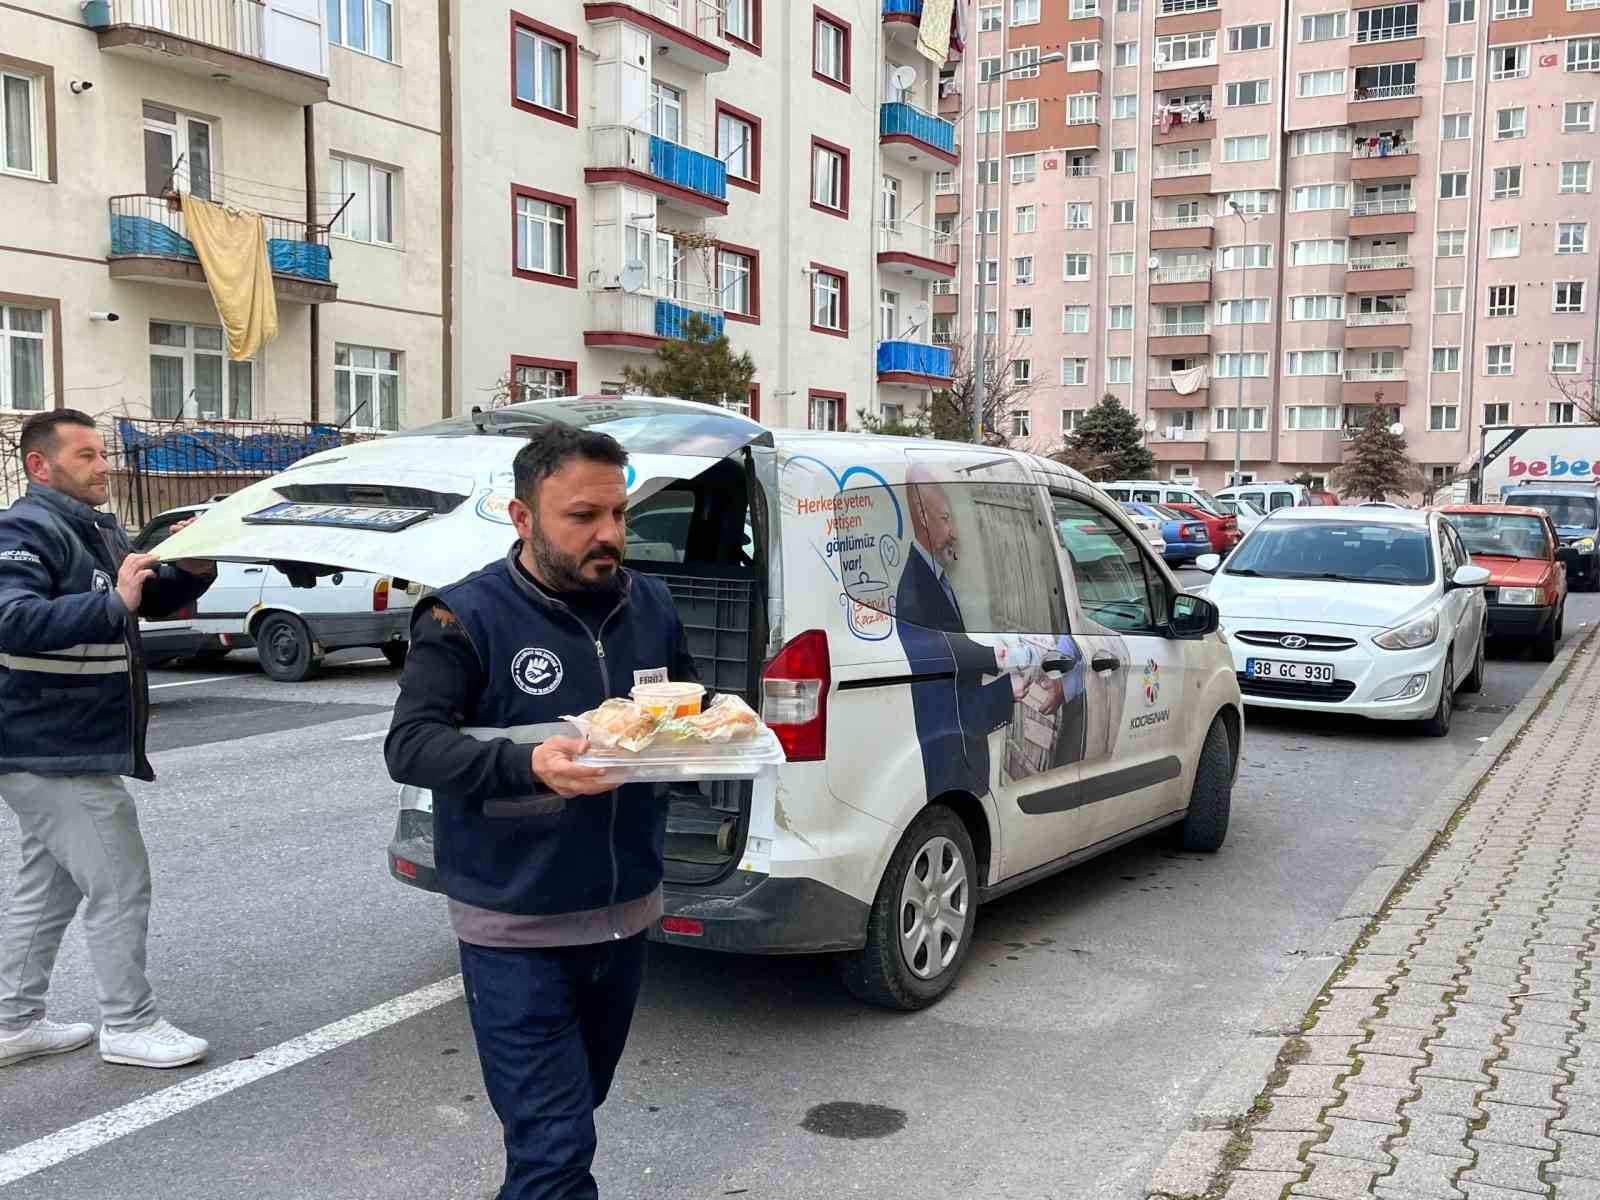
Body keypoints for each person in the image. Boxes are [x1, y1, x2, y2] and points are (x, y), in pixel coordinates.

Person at [386, 423, 702, 1200]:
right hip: (514, 925)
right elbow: (412, 747)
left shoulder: (651, 603)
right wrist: (525, 763)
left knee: (569, 1115)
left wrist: (714, 741)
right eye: (582, 516)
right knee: (556, 1148)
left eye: (619, 515)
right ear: (522, 518)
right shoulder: (462, 617)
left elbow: (689, 711)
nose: (609, 536)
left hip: (627, 915)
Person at [0, 409, 216, 1070]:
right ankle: (129, 1023)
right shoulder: (24, 528)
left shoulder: (96, 528)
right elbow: (12, 619)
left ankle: (12, 1022)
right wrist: (114, 603)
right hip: (48, 747)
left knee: (51, 887)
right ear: (42, 466)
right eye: (88, 456)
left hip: (66, 743)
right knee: (120, 882)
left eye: (103, 454)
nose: (105, 466)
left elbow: (139, 596)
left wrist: (192, 565)